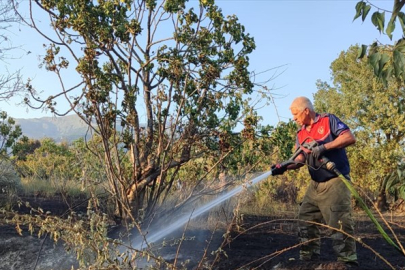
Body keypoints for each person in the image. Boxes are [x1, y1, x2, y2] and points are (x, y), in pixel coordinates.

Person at [271, 96, 358, 267]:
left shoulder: (328, 120)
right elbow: (299, 159)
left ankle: (347, 262)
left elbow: (349, 138)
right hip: (315, 184)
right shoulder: (301, 133)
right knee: (306, 218)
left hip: (335, 181)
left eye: (296, 114)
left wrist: (323, 147)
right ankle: (308, 261)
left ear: (306, 111)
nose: (294, 118)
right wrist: (283, 167)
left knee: (338, 222)